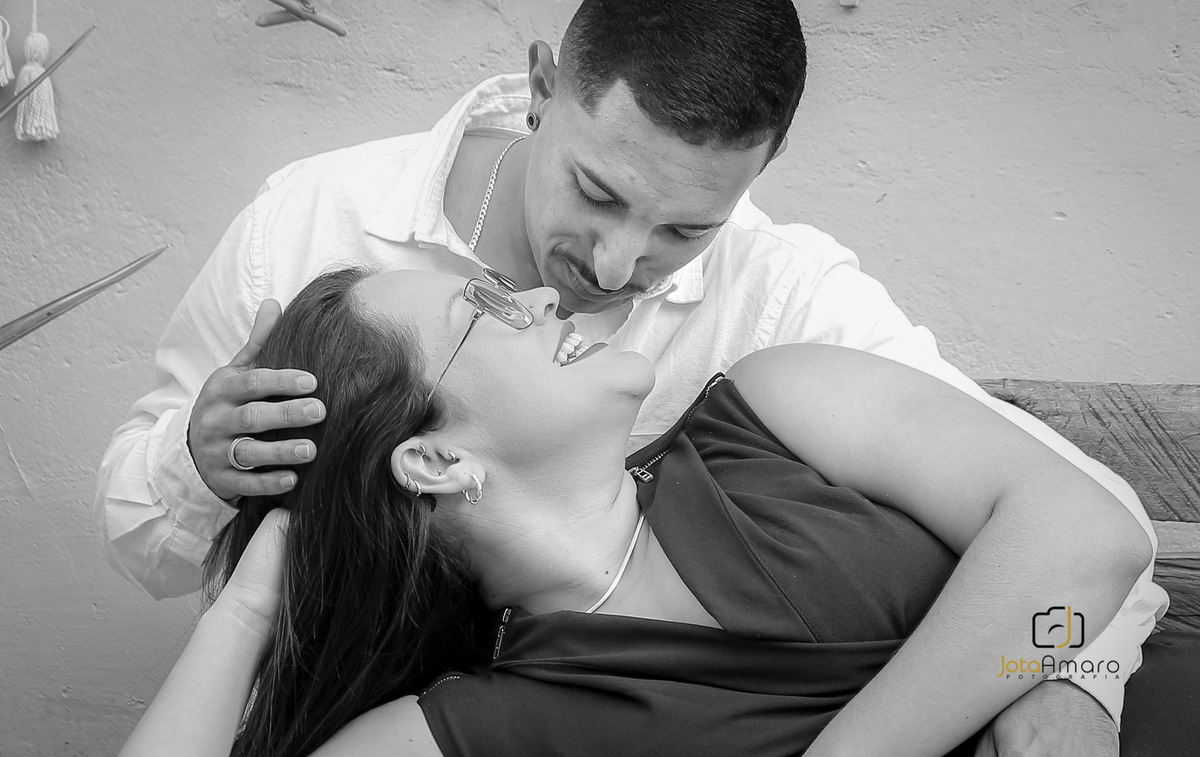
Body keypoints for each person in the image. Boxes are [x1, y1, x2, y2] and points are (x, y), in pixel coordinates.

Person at [97, 0, 1164, 751]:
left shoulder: (787, 332)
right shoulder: (311, 221)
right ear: (541, 89)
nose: (612, 271)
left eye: (685, 231)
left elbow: (1091, 526)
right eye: (599, 194)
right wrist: (210, 481)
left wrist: (1067, 675)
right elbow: (140, 536)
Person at [119, 267, 1151, 757]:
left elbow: (1092, 540)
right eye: (482, 309)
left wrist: (1075, 671)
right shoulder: (470, 732)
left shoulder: (781, 405)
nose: (534, 298)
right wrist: (249, 607)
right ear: (435, 459)